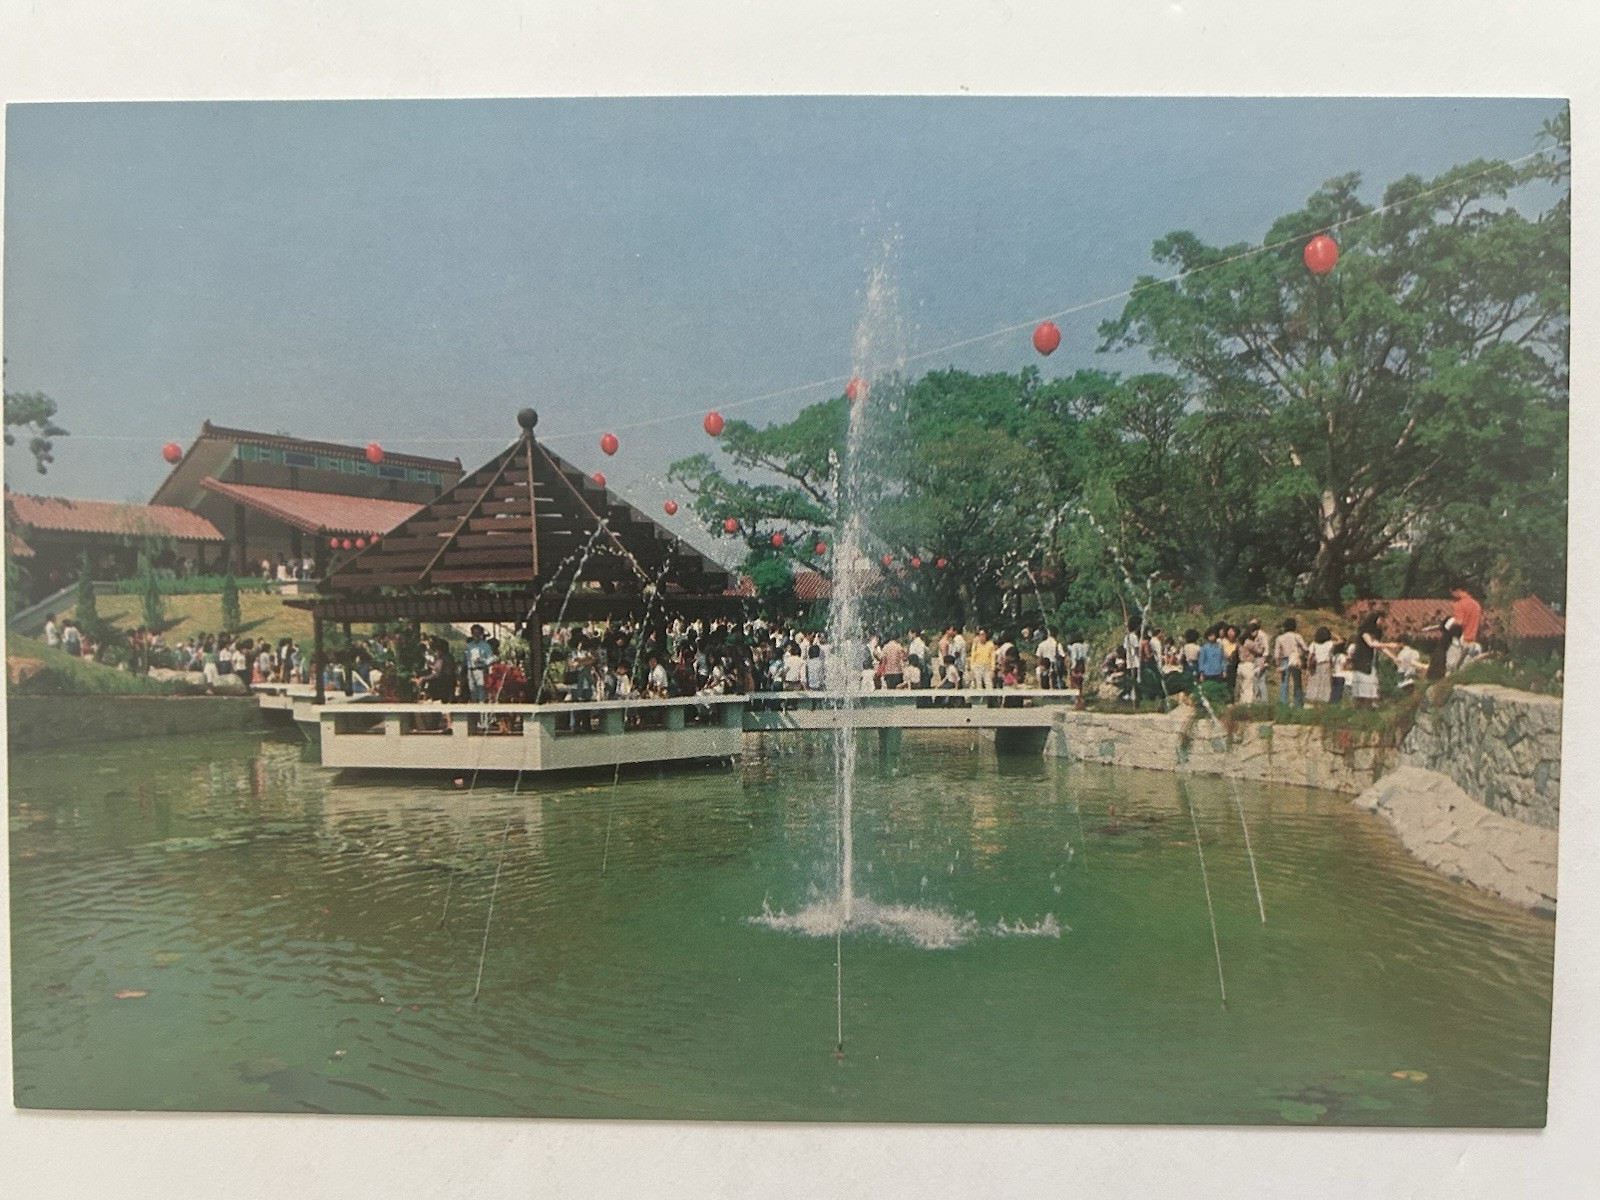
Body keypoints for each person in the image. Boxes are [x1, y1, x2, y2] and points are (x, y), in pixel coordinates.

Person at [1348, 614, 1400, 707]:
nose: (1381, 622)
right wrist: (1389, 644)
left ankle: (1368, 705)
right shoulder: (1364, 632)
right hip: (1362, 660)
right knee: (1362, 684)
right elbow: (1371, 644)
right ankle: (1358, 705)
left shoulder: (1376, 633)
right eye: (1380, 619)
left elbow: (1380, 646)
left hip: (1370, 662)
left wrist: (1394, 657)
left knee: (1372, 684)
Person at [1445, 584, 1483, 672]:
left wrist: (1448, 625)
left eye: (1452, 593)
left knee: (1451, 668)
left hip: (1460, 641)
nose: (1452, 596)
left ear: (1457, 590)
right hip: (1472, 639)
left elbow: (1459, 623)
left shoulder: (1459, 605)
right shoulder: (1476, 605)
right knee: (1466, 669)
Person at [1274, 618, 1308, 708]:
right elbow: (1305, 648)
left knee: (1284, 682)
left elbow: (1276, 654)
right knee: (1297, 682)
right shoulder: (1297, 636)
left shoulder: (1280, 638)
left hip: (1284, 660)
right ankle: (1298, 704)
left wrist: (1277, 664)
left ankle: (1283, 704)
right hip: (1295, 659)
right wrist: (1303, 656)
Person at [1195, 626, 1228, 706]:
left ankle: (1217, 704)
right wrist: (1201, 673)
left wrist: (1224, 670)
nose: (1211, 637)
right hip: (1207, 672)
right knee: (1207, 688)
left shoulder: (1220, 647)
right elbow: (1201, 660)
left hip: (1217, 671)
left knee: (1217, 688)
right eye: (1210, 635)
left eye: (1213, 635)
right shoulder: (1204, 647)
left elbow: (1222, 659)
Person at [1304, 626, 1335, 705]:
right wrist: (1334, 634)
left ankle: (1312, 700)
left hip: (1316, 665)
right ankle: (1324, 700)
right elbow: (1340, 641)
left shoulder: (1313, 644)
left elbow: (1309, 657)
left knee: (1314, 682)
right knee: (1325, 683)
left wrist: (1308, 668)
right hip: (1326, 664)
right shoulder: (1330, 643)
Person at [463, 625, 493, 704]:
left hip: (481, 670)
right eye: (474, 633)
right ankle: (474, 714)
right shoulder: (469, 646)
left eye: (478, 633)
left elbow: (491, 659)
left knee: (481, 690)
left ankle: (482, 711)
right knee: (472, 691)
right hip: (470, 671)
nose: (475, 635)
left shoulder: (486, 646)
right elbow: (465, 659)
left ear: (481, 634)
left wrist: (481, 660)